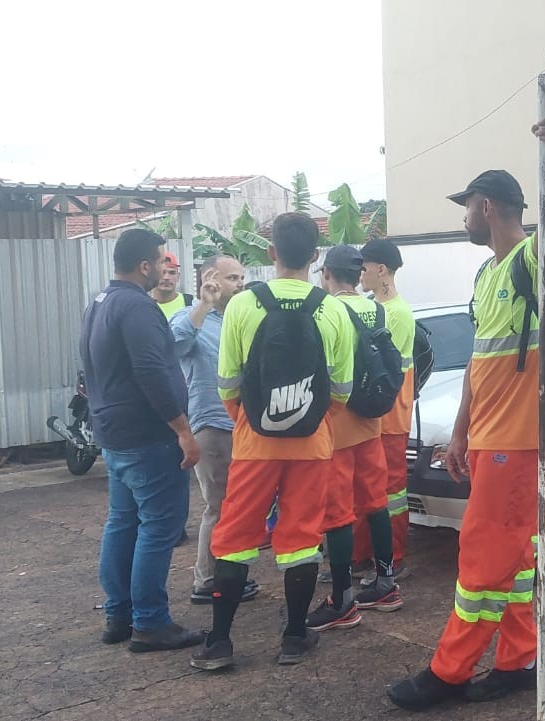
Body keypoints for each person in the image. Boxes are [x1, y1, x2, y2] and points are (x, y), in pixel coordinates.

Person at [388, 166, 545, 711]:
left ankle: (449, 673)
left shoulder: (533, 261)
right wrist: (462, 433)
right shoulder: (488, 275)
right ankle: (519, 661)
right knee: (515, 562)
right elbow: (478, 364)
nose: (464, 216)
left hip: (521, 442)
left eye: (466, 206)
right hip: (496, 437)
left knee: (483, 556)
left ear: (486, 206)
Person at [190, 212, 356, 671]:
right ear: (315, 255)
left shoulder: (242, 306)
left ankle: (219, 641)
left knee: (235, 537)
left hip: (253, 444)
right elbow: (342, 388)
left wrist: (250, 423)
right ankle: (294, 636)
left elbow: (226, 383)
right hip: (312, 446)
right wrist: (313, 422)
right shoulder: (332, 309)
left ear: (271, 253)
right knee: (301, 539)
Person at [80, 228, 204, 653]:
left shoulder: (101, 303)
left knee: (124, 521)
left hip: (115, 433)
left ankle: (120, 615)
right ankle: (150, 621)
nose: (166, 268)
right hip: (147, 436)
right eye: (161, 261)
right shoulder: (137, 307)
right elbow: (153, 372)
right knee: (159, 527)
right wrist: (183, 430)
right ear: (144, 265)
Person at [307, 244, 404, 626]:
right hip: (371, 423)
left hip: (338, 424)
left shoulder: (327, 310)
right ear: (358, 273)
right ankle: (386, 582)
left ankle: (342, 600)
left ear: (327, 273)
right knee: (376, 503)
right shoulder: (374, 308)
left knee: (338, 513)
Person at [170, 256, 260, 606]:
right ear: (210, 279)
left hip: (242, 425)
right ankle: (206, 581)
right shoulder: (191, 318)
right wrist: (204, 305)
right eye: (231, 278)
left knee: (237, 505)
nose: (239, 284)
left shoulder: (235, 318)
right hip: (212, 425)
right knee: (218, 505)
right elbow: (173, 347)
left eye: (241, 277)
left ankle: (229, 576)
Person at [352, 239, 415, 582]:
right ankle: (361, 555)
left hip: (390, 418)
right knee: (367, 490)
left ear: (381, 270)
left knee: (391, 493)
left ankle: (394, 557)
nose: (359, 274)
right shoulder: (375, 307)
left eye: (363, 267)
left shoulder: (397, 313)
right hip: (375, 417)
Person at [152, 252, 193, 318]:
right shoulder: (141, 306)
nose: (166, 277)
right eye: (162, 272)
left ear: (178, 277)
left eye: (172, 273)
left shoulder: (191, 304)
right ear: (151, 275)